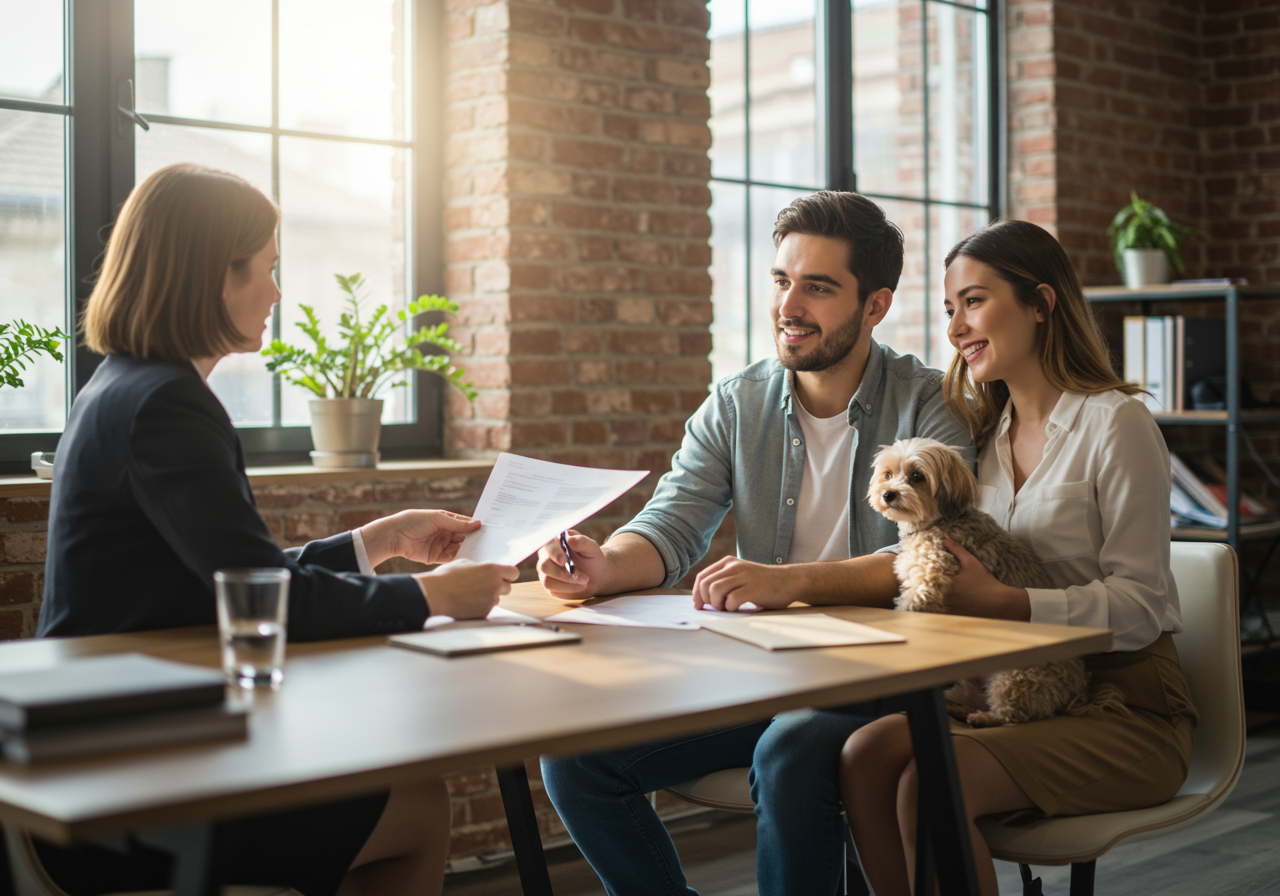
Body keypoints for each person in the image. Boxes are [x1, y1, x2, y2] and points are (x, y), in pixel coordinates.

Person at [36, 163, 519, 896]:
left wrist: (381, 540)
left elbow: (237, 574)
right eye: (266, 270)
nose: (276, 293)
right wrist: (434, 597)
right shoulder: (167, 405)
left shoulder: (126, 384)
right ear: (209, 278)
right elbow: (271, 599)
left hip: (110, 753)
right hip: (122, 793)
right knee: (418, 805)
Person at [534, 191, 975, 896]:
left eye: (818, 287)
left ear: (875, 306)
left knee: (790, 752)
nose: (789, 305)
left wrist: (789, 581)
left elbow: (942, 555)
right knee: (575, 756)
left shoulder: (933, 403)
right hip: (768, 673)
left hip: (890, 677)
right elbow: (674, 520)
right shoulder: (736, 403)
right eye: (781, 281)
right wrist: (603, 566)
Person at [839, 220, 1197, 896]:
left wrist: (1012, 605)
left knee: (930, 786)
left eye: (973, 301)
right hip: (1000, 685)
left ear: (1041, 301)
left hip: (1123, 702)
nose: (955, 328)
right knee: (861, 756)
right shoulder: (980, 438)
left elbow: (1146, 605)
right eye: (950, 309)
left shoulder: (1116, 424)